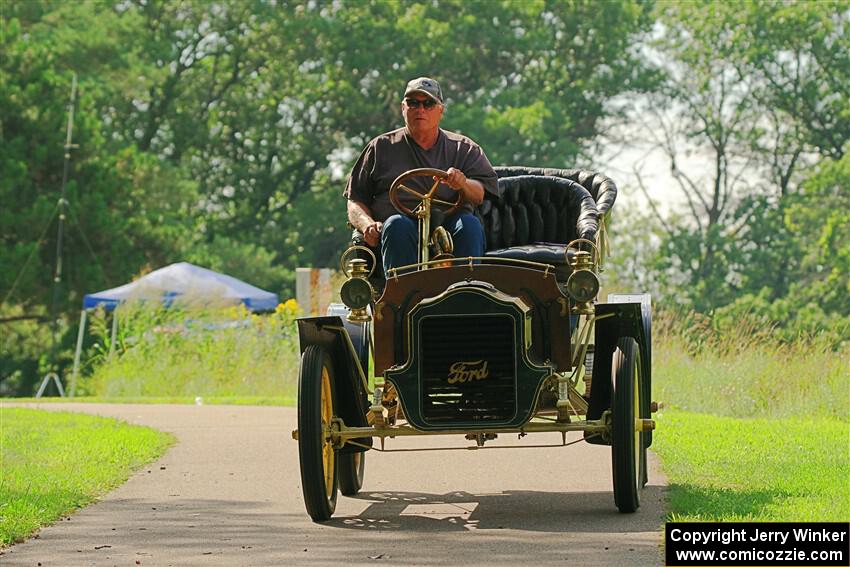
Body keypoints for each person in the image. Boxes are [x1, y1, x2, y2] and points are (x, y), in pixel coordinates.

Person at [344, 77, 499, 274]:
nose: (420, 109)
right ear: (403, 107)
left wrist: (463, 183)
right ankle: (401, 299)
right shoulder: (380, 147)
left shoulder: (464, 148)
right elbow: (355, 199)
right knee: (395, 225)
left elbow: (480, 195)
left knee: (469, 225)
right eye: (413, 103)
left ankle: (465, 295)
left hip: (448, 227)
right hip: (399, 227)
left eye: (428, 103)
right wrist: (368, 225)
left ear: (440, 110)